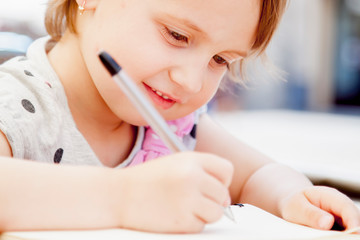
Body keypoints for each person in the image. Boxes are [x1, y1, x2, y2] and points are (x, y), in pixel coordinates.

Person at [0, 0, 359, 234]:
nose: (190, 81)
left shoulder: (170, 125)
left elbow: (256, 174)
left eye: (220, 60)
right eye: (177, 35)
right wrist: (126, 198)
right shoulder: (18, 103)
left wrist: (292, 196)